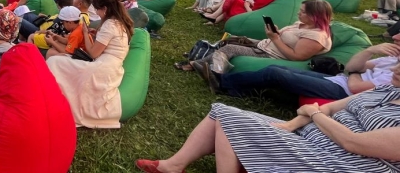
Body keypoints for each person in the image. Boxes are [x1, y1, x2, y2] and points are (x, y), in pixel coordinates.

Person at [135, 63, 400, 173]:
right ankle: (173, 165)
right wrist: (291, 124)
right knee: (220, 112)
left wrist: (314, 114)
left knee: (229, 118)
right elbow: (330, 107)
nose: (396, 69)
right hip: (310, 135)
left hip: (341, 163)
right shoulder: (388, 89)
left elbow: (353, 143)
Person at [192, 0, 333, 92]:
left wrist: (275, 38)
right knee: (233, 39)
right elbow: (286, 38)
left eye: (302, 12)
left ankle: (212, 75)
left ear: (314, 16)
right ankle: (200, 64)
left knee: (230, 48)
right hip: (266, 44)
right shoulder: (302, 24)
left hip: (272, 54)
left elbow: (296, 57)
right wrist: (276, 33)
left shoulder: (316, 36)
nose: (298, 13)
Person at [47, 0, 135, 128]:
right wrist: (96, 35)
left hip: (103, 68)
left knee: (55, 62)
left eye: (97, 10)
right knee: (59, 61)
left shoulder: (110, 25)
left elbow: (93, 53)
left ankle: (53, 101)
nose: (97, 13)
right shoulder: (118, 23)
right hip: (111, 66)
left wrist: (85, 33)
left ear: (104, 9)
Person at [220, 33, 400, 99]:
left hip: (343, 93)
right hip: (339, 80)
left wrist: (355, 72)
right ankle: (238, 89)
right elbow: (350, 67)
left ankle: (223, 83)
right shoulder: (391, 60)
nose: (395, 38)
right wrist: (370, 50)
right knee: (283, 70)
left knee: (275, 72)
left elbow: (354, 87)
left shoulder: (397, 74)